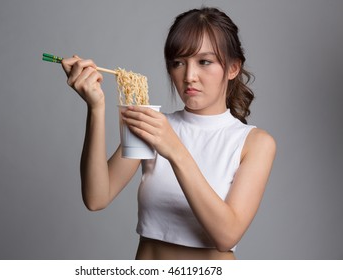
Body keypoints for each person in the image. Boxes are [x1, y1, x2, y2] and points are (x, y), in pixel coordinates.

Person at [61, 7, 276, 260]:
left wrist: (174, 149)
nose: (189, 76)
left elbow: (227, 235)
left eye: (204, 62)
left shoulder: (254, 143)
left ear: (232, 68)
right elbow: (97, 197)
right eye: (178, 63)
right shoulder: (153, 125)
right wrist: (96, 107)